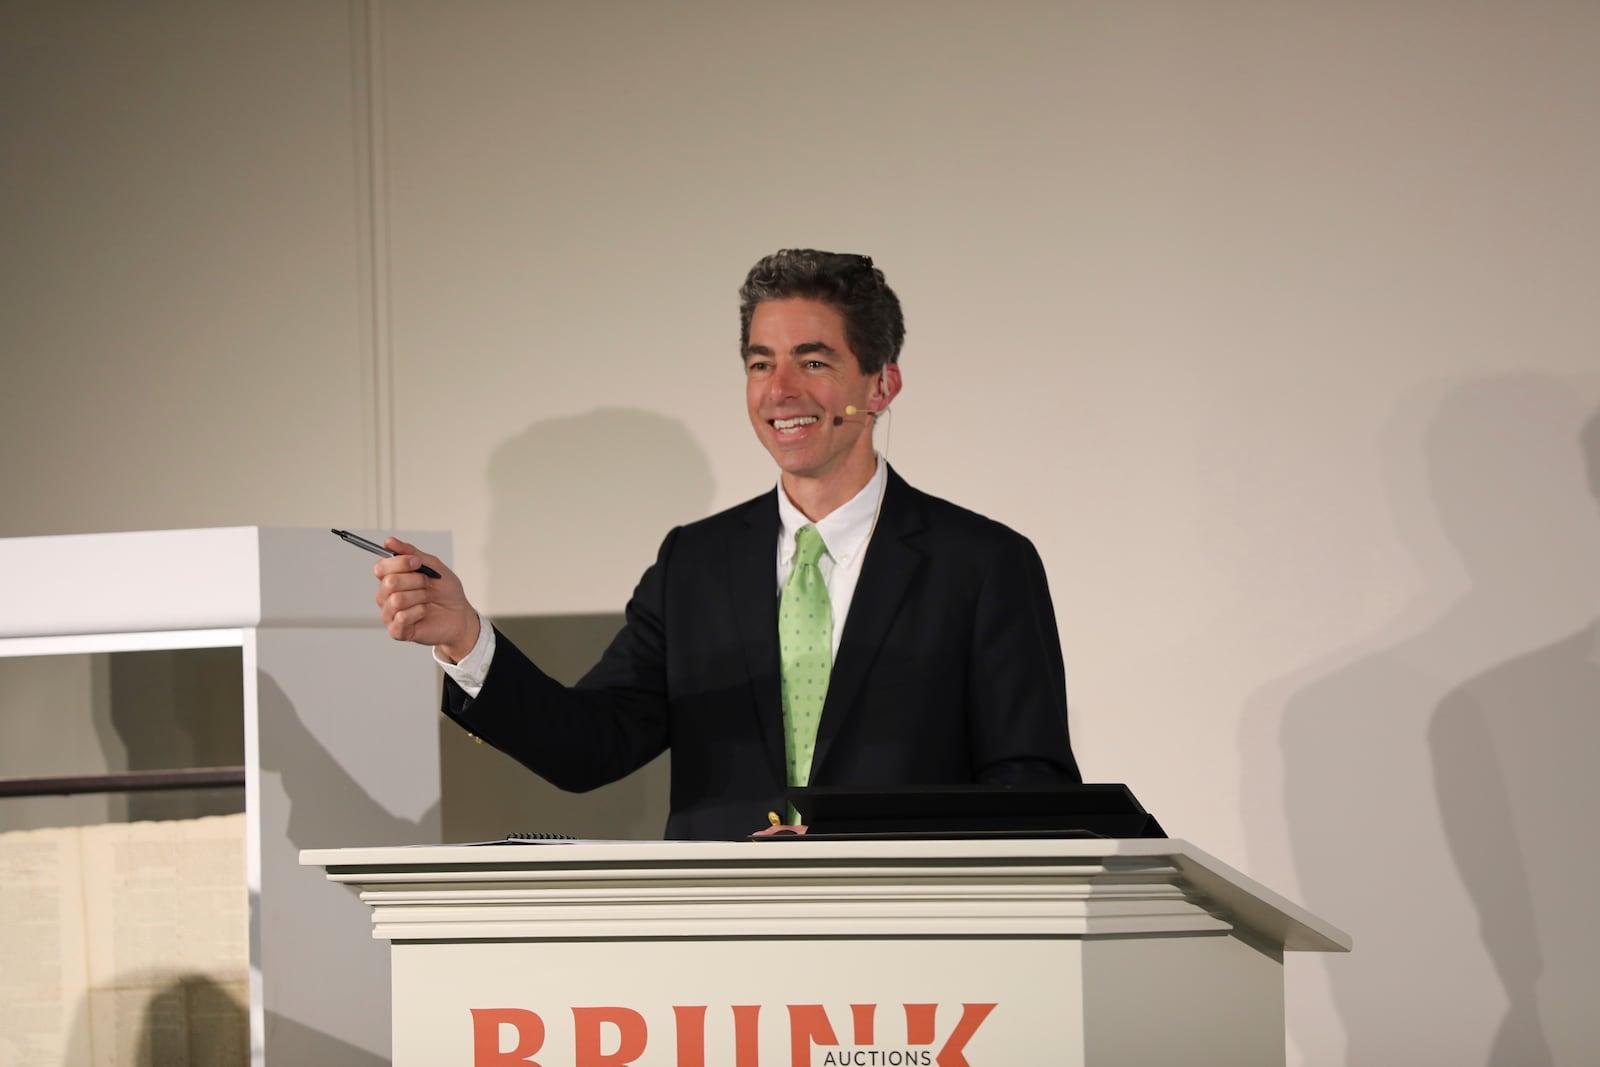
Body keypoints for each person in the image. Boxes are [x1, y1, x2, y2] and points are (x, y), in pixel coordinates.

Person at [373, 249, 1080, 840]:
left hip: (918, 963)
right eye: (760, 363)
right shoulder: (695, 564)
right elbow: (589, 746)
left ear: (882, 384)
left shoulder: (984, 564)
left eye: (814, 362)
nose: (781, 391)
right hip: (721, 963)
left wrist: (865, 843)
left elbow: (1030, 789)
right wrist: (467, 637)